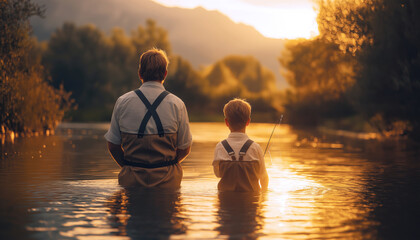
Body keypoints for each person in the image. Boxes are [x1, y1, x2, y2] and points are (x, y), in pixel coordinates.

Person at [105, 48, 192, 188]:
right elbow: (185, 148)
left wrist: (129, 167)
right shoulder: (178, 104)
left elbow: (113, 146)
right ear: (165, 73)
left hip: (131, 181)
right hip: (168, 182)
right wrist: (165, 165)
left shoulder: (122, 101)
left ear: (140, 73)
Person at [212, 98, 269, 192]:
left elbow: (217, 174)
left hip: (225, 203)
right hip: (250, 203)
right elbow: (263, 177)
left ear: (226, 122)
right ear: (248, 122)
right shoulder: (256, 148)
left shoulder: (220, 147)